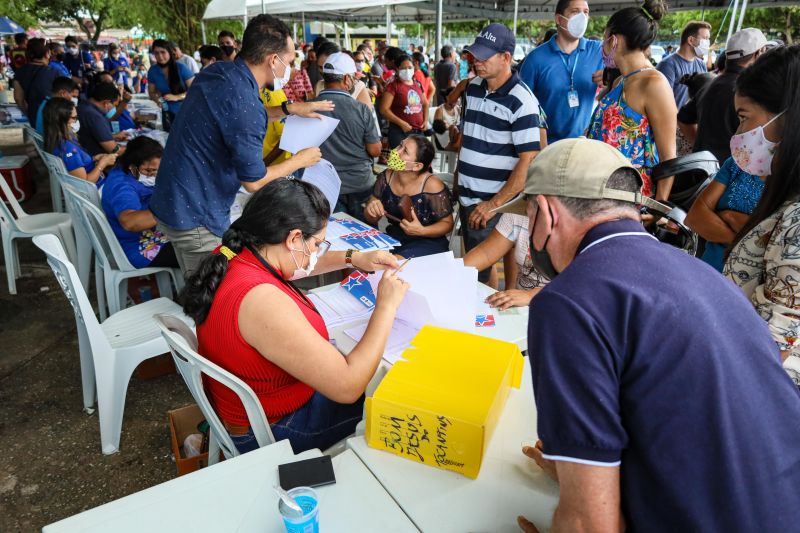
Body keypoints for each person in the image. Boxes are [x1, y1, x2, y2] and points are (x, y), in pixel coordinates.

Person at [500, 138, 800, 533]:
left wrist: (580, 508)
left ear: (546, 212)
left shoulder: (568, 301)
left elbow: (590, 524)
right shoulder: (705, 276)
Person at [182, 179, 409, 454]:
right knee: (388, 401)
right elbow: (348, 386)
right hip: (279, 428)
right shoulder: (262, 301)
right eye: (316, 245)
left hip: (250, 411)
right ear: (293, 238)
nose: (316, 253)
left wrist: (353, 257)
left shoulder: (233, 253)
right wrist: (386, 306)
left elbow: (297, 264)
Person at [150, 15, 333, 276]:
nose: (289, 69)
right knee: (207, 295)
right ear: (273, 59)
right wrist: (300, 160)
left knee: (198, 282)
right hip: (196, 216)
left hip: (172, 199)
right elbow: (254, 181)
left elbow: (234, 115)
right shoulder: (245, 103)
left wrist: (288, 108)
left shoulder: (217, 73)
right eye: (289, 61)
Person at [723, 45, 800, 384]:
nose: (739, 135)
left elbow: (778, 341)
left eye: (744, 117)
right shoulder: (786, 201)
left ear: (787, 119)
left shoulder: (797, 219)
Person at [457, 23, 543, 285]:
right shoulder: (473, 88)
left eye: (484, 56)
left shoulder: (522, 101)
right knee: (477, 270)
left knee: (479, 270)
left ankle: (484, 320)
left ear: (506, 58)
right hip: (467, 196)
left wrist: (493, 205)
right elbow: (468, 141)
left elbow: (528, 161)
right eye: (475, 55)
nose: (477, 61)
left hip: (493, 202)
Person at [586, 0, 677, 201]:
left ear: (614, 40)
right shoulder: (620, 80)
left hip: (630, 198)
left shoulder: (654, 84)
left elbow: (668, 157)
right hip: (599, 190)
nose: (603, 44)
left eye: (605, 37)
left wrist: (658, 209)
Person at [518, 0, 604, 144]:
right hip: (546, 147)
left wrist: (610, 78)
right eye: (575, 11)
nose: (582, 17)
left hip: (583, 145)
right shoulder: (536, 58)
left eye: (586, 12)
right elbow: (521, 105)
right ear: (558, 19)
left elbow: (627, 74)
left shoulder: (597, 51)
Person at [678, 28, 767, 163]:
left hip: (702, 170)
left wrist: (703, 150)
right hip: (731, 174)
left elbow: (683, 119)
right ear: (758, 53)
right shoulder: (750, 92)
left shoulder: (709, 85)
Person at [313, 52, 381, 221]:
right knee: (364, 238)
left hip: (326, 186)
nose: (354, 82)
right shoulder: (362, 109)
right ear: (346, 79)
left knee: (335, 238)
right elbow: (375, 150)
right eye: (353, 78)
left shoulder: (310, 109)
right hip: (360, 183)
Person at [364, 136, 454, 258]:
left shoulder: (432, 185)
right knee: (360, 256)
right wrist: (372, 210)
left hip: (427, 242)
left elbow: (447, 224)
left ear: (417, 166)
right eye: (400, 145)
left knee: (391, 263)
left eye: (405, 151)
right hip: (394, 237)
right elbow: (370, 218)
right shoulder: (386, 177)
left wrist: (422, 230)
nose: (396, 151)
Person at [101, 136, 178, 269]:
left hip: (149, 237)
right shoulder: (123, 186)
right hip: (142, 247)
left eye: (158, 170)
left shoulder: (123, 170)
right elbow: (130, 222)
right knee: (200, 250)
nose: (154, 175)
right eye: (148, 171)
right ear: (132, 166)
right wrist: (175, 207)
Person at [685, 157, 763, 271]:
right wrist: (744, 242)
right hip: (708, 270)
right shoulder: (739, 162)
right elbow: (694, 218)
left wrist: (727, 217)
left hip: (750, 282)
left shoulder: (791, 186)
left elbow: (769, 238)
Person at [463, 212, 549, 310]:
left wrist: (530, 295)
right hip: (520, 303)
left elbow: (569, 284)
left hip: (557, 305)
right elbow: (485, 253)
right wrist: (450, 269)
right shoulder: (516, 215)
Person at [43, 97, 117, 185]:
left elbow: (77, 165)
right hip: (97, 191)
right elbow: (84, 182)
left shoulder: (57, 140)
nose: (77, 121)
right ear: (61, 121)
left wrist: (94, 159)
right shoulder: (67, 149)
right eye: (74, 118)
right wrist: (102, 164)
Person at [655, 20, 710, 109]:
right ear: (691, 40)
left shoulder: (701, 64)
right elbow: (661, 102)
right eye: (705, 38)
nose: (708, 43)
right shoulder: (667, 65)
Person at [380, 54, 429, 148]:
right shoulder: (393, 85)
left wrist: (425, 121)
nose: (407, 70)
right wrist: (402, 123)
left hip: (418, 131)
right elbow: (384, 109)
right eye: (404, 68)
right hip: (399, 131)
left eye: (410, 67)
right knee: (399, 161)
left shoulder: (417, 84)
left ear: (414, 68)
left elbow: (425, 104)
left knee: (418, 159)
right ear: (398, 69)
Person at [147, 39, 195, 131]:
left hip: (187, 112)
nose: (160, 56)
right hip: (167, 114)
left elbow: (195, 91)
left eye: (163, 52)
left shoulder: (181, 68)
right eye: (156, 53)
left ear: (169, 52)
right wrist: (157, 100)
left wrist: (177, 97)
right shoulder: (153, 71)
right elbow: (152, 92)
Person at [12, 38, 60, 120]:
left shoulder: (20, 72)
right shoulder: (54, 72)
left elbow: (18, 98)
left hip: (33, 115)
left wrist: (28, 113)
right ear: (47, 53)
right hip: (52, 116)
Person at [77, 81, 128, 156]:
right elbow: (114, 150)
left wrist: (113, 136)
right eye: (114, 105)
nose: (114, 108)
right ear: (106, 103)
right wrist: (135, 148)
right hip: (96, 159)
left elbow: (91, 135)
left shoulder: (82, 106)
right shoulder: (95, 117)